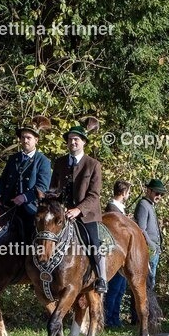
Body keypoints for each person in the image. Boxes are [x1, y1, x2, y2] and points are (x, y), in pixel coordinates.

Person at [50, 123, 107, 293]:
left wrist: (78, 210)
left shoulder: (93, 164)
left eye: (76, 139)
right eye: (70, 140)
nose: (72, 142)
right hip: (62, 213)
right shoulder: (59, 163)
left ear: (83, 142)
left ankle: (100, 278)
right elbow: (53, 189)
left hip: (86, 215)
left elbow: (94, 195)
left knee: (94, 243)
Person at [0, 122, 52, 243]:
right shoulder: (13, 158)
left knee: (28, 237)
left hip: (29, 207)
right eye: (23, 137)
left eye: (28, 138)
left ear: (36, 140)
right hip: (7, 205)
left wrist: (24, 197)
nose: (25, 140)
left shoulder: (43, 161)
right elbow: (3, 180)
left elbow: (42, 187)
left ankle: (28, 259)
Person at [103, 180, 131, 328]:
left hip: (123, 254)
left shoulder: (119, 208)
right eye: (128, 192)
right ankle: (109, 319)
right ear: (124, 192)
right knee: (114, 289)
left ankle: (115, 317)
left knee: (120, 289)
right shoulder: (112, 208)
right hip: (115, 253)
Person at [134, 178, 166, 292]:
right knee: (146, 285)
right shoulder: (143, 204)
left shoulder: (150, 205)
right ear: (149, 191)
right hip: (149, 250)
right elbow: (141, 229)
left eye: (161, 194)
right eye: (157, 193)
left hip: (154, 250)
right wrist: (151, 246)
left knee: (150, 284)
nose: (159, 196)